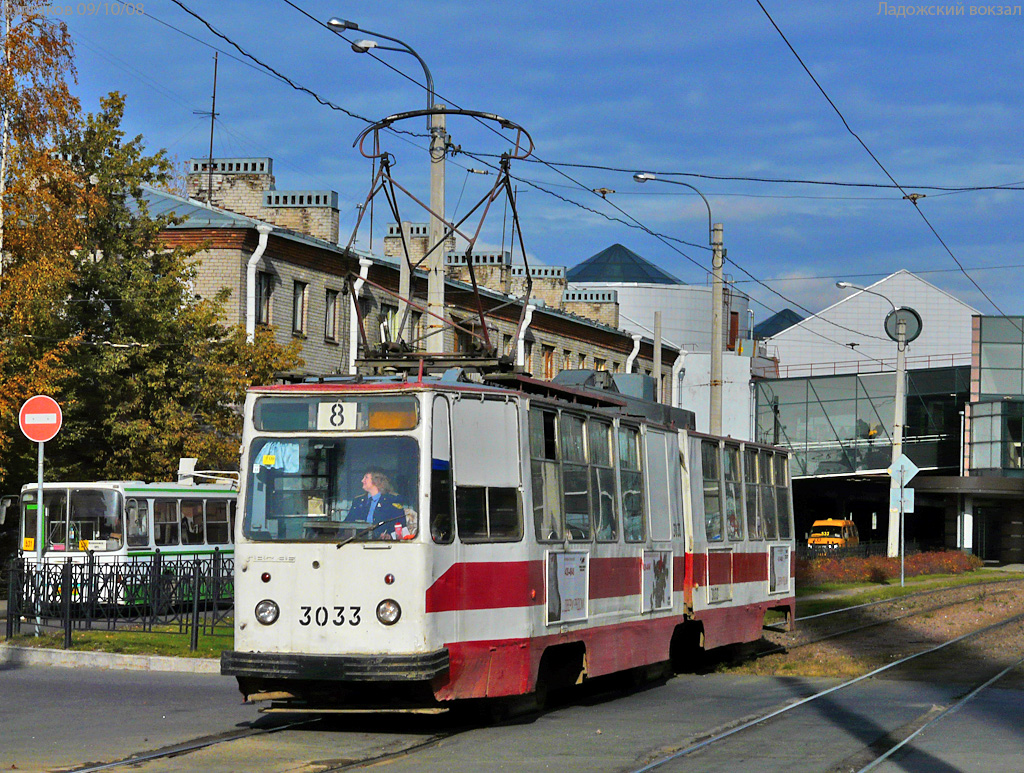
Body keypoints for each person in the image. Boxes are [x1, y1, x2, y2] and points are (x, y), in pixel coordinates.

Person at [345, 469, 407, 539]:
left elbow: (401, 527)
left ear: (376, 480)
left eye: (366, 477)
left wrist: (390, 536)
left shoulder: (392, 501)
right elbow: (347, 523)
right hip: (358, 543)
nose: (362, 480)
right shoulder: (358, 501)